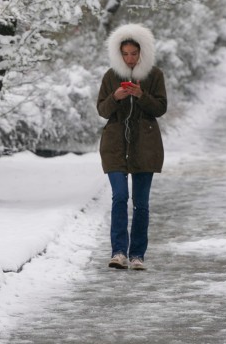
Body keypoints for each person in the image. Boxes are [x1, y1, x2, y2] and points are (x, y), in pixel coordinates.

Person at [96, 23, 167, 271]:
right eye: (125, 53)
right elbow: (102, 110)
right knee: (120, 197)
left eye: (134, 53)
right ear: (119, 53)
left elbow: (160, 108)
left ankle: (137, 254)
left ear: (142, 53)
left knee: (141, 203)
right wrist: (116, 97)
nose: (129, 58)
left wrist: (140, 95)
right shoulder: (110, 76)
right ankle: (118, 252)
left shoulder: (154, 75)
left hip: (145, 146)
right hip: (114, 144)